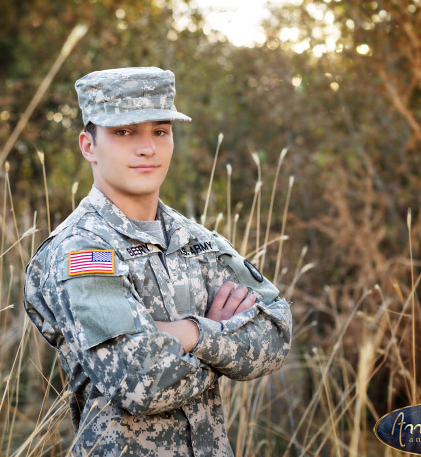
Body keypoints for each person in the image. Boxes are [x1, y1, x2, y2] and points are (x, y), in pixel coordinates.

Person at [23, 67, 292, 456]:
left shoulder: (195, 240)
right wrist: (223, 341)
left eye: (160, 131)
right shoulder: (82, 251)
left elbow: (276, 332)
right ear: (88, 145)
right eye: (124, 132)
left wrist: (191, 334)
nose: (147, 147)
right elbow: (139, 381)